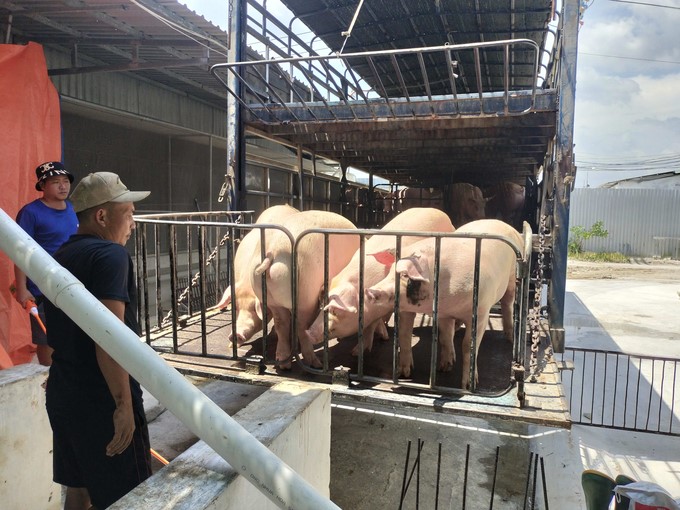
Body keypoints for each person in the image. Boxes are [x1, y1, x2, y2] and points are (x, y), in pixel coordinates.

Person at [44, 172, 152, 510]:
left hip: (65, 392)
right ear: (102, 216)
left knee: (79, 491)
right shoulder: (110, 256)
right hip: (100, 399)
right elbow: (108, 336)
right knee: (129, 497)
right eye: (129, 212)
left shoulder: (60, 256)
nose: (133, 222)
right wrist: (122, 404)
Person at [14, 161, 78, 366]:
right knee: (46, 337)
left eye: (66, 181)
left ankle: (68, 373)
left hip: (72, 284)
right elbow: (19, 251)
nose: (63, 186)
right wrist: (22, 289)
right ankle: (48, 377)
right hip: (42, 288)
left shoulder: (72, 208)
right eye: (56, 182)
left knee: (71, 332)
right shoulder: (30, 213)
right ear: (42, 186)